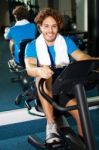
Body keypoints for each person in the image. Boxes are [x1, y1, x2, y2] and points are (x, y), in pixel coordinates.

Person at [24, 8, 98, 144]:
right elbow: (30, 67)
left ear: (58, 27)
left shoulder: (66, 42)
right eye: (46, 26)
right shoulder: (32, 46)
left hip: (63, 89)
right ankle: (51, 124)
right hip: (44, 92)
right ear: (40, 27)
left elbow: (82, 57)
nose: (50, 31)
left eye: (54, 26)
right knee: (44, 77)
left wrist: (95, 62)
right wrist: (39, 70)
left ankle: (85, 145)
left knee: (82, 115)